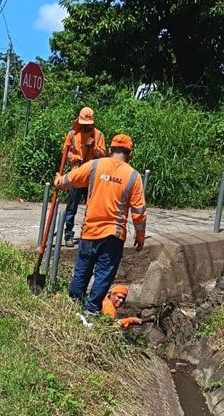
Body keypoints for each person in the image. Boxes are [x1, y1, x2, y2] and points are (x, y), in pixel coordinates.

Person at [54, 133, 146, 315]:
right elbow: (139, 212)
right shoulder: (134, 177)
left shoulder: (96, 165)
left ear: (111, 150)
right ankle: (91, 310)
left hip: (90, 231)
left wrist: (58, 181)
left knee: (82, 269)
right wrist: (140, 236)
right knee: (104, 274)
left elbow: (71, 179)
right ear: (130, 154)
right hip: (114, 235)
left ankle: (73, 305)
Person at [62, 107, 108, 247]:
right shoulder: (72, 134)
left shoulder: (98, 135)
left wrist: (93, 146)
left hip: (92, 177)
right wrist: (77, 157)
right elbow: (66, 153)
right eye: (84, 123)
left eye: (88, 124)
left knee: (92, 208)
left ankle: (88, 234)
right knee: (72, 207)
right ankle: (68, 233)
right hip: (77, 175)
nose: (86, 126)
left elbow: (103, 155)